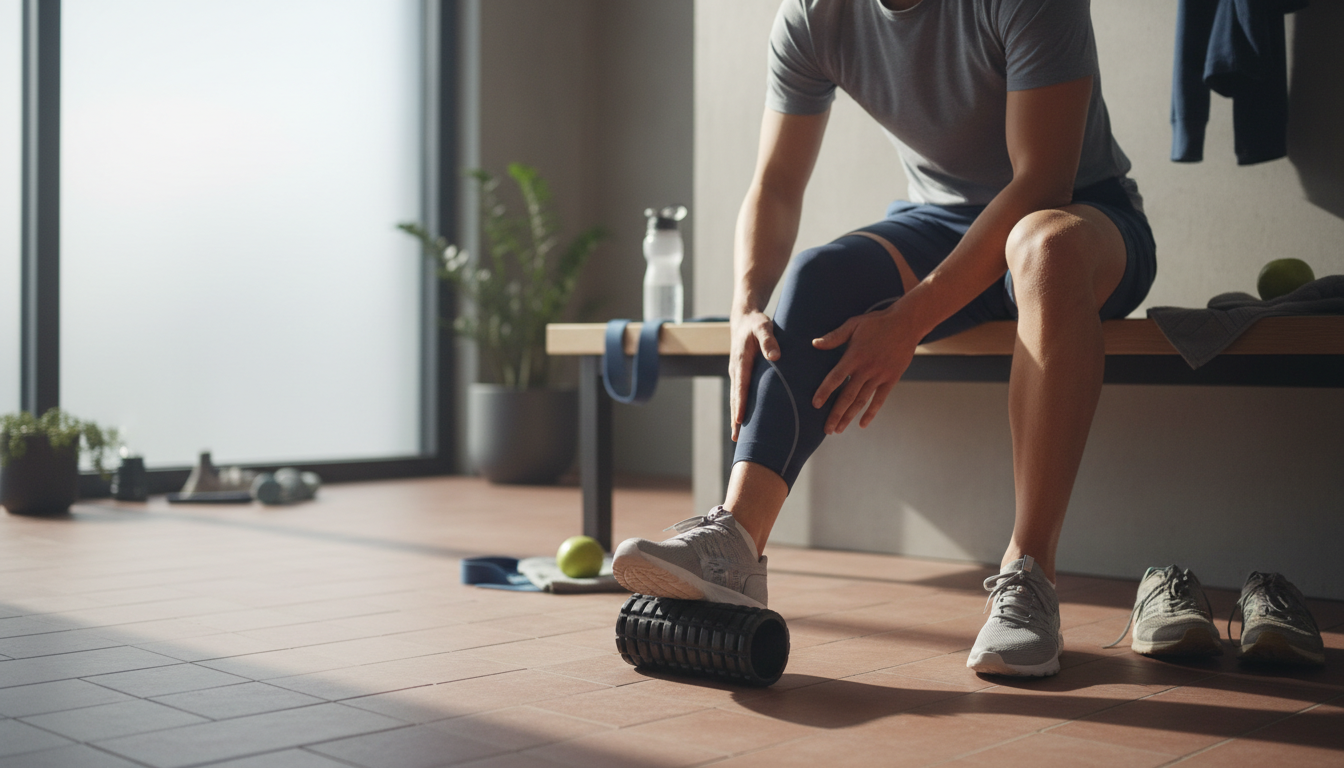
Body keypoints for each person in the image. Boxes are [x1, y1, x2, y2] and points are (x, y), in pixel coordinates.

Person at [612, 0, 1156, 678]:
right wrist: (746, 303)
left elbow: (1041, 179)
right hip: (940, 220)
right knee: (817, 275)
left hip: (1078, 215)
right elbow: (777, 184)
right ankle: (737, 540)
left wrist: (910, 319)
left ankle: (1030, 573)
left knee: (1043, 249)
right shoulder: (815, 17)